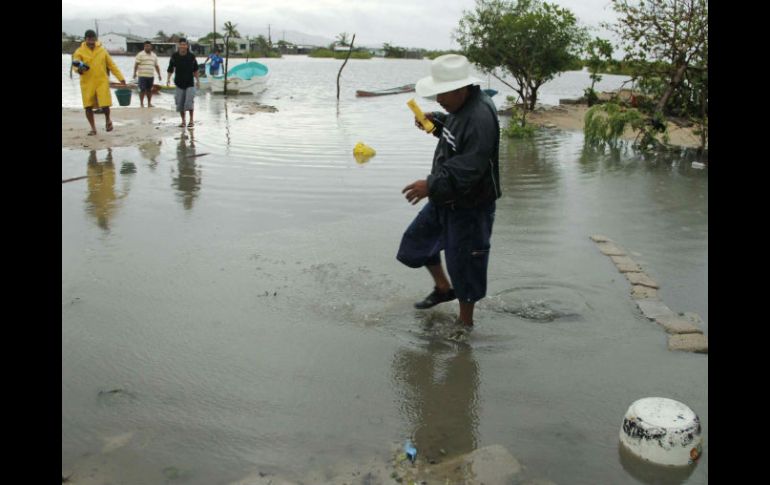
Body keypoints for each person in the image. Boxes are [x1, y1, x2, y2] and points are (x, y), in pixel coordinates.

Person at [397, 54, 501, 340]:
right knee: (415, 244)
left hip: (470, 205)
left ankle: (464, 326)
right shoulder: (460, 106)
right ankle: (444, 288)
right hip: (446, 198)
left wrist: (429, 184)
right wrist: (439, 123)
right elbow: (457, 136)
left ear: (460, 88)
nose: (438, 99)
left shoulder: (480, 117)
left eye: (441, 94)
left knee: (466, 266)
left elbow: (469, 168)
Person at [72, 30, 127, 135]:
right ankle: (93, 128)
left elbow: (112, 65)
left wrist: (121, 78)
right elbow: (75, 65)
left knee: (105, 104)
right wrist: (79, 69)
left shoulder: (102, 50)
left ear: (96, 39)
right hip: (87, 82)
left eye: (93, 39)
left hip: (102, 81)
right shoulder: (79, 51)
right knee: (88, 106)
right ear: (85, 39)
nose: (91, 41)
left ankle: (108, 121)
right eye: (89, 39)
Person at [167, 38, 200, 128]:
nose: (183, 46)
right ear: (178, 45)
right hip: (179, 83)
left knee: (189, 103)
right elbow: (170, 68)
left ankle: (191, 120)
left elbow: (196, 70)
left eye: (184, 44)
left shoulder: (191, 56)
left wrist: (198, 81)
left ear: (187, 46)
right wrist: (168, 79)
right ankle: (183, 121)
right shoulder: (174, 56)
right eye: (181, 44)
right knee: (180, 104)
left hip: (190, 83)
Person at [133, 41, 162, 108]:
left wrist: (159, 75)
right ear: (144, 47)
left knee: (149, 90)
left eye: (148, 46)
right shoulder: (140, 54)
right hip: (142, 75)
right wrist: (134, 73)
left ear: (151, 47)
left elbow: (156, 66)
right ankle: (141, 104)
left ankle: (149, 103)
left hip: (150, 75)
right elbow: (136, 65)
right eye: (146, 46)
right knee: (142, 90)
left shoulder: (154, 55)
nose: (147, 47)